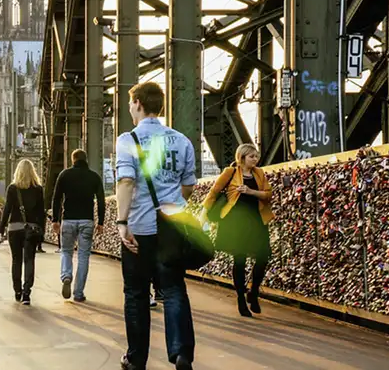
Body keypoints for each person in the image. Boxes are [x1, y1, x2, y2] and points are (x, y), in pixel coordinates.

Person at [115, 82, 196, 370]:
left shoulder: (128, 139)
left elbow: (126, 182)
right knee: (174, 289)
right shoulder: (181, 140)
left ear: (137, 103)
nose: (128, 108)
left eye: (129, 103)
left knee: (136, 293)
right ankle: (181, 353)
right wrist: (170, 208)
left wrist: (122, 222)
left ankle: (136, 359)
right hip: (171, 229)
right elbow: (188, 186)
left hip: (139, 229)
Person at [203, 143, 274, 317]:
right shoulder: (231, 172)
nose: (255, 159)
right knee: (240, 259)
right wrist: (204, 215)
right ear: (242, 157)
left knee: (264, 256)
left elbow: (268, 194)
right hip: (235, 222)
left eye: (256, 156)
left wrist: (250, 191)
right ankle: (241, 299)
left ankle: (254, 292)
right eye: (252, 157)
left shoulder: (259, 173)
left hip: (257, 220)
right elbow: (213, 193)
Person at [51, 149, 105, 302]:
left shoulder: (64, 175)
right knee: (83, 256)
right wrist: (100, 222)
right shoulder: (94, 176)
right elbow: (101, 200)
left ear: (72, 159)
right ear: (85, 159)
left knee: (66, 251)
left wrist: (55, 219)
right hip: (87, 221)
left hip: (68, 220)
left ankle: (66, 276)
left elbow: (56, 198)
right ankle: (79, 293)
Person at [1, 159, 46, 305]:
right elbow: (41, 212)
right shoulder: (38, 189)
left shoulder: (12, 188)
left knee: (16, 260)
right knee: (29, 260)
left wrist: (2, 228)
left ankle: (17, 291)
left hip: (14, 228)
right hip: (31, 229)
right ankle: (27, 293)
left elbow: (7, 209)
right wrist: (42, 231)